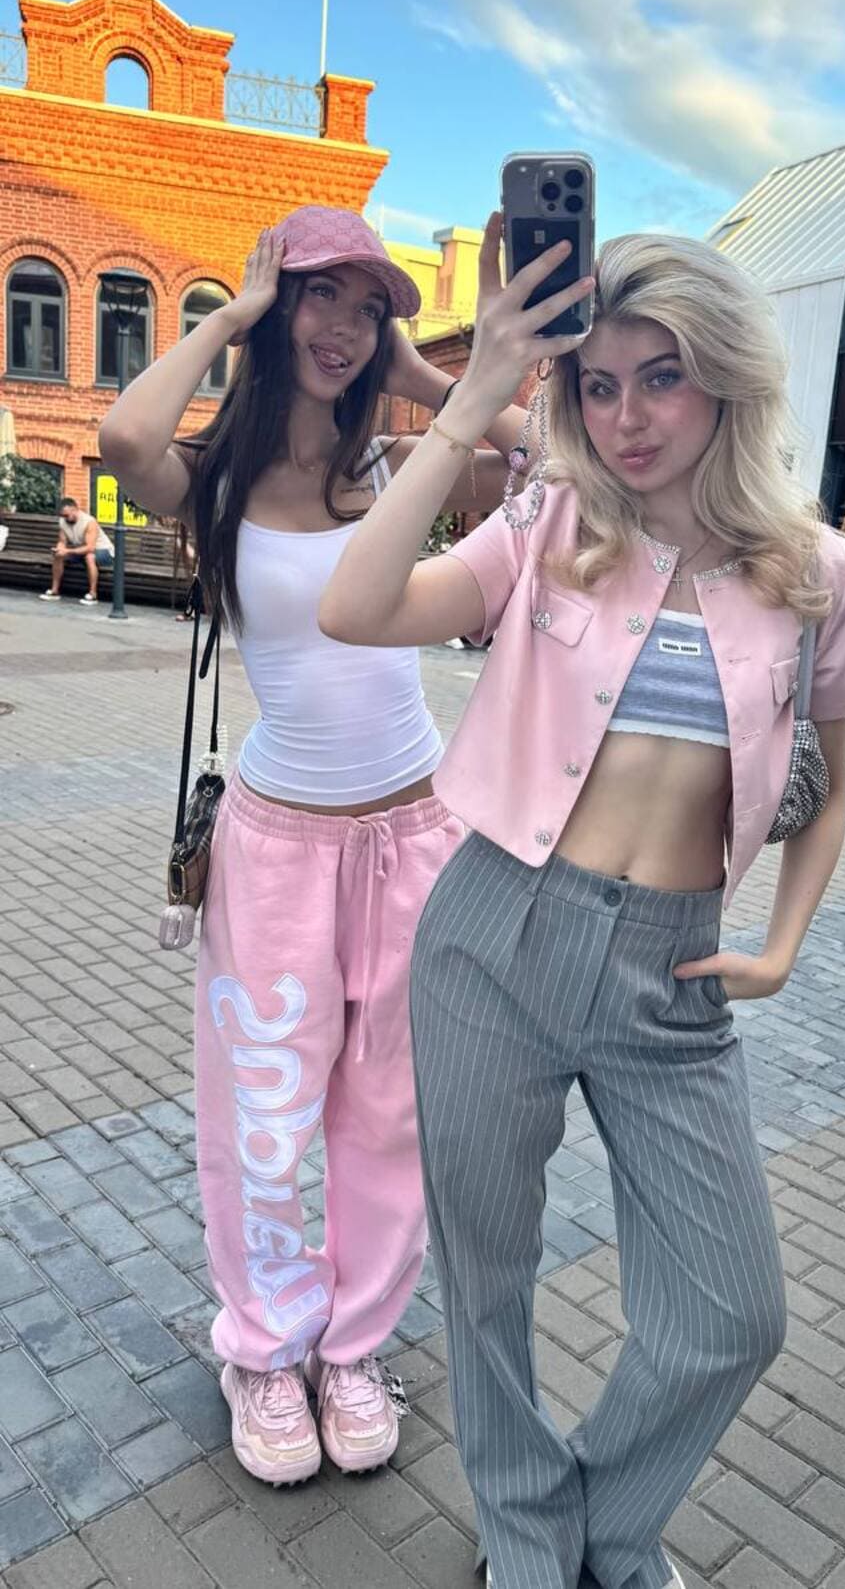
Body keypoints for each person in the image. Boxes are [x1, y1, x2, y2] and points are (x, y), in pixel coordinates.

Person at [319, 217, 845, 1589]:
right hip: (493, 935)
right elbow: (355, 607)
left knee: (731, 1311)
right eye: (601, 383)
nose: (629, 417)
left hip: (672, 976)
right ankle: (526, 1533)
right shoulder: (551, 523)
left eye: (663, 377)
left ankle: (608, 1522)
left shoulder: (818, 572)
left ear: (728, 378)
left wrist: (781, 947)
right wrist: (471, 399)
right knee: (487, 1270)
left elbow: (830, 787)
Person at [98, 205, 529, 1488]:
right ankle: (263, 1347)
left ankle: (351, 1348)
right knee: (267, 1114)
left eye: (367, 305)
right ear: (276, 304)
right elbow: (124, 440)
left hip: (418, 835)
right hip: (277, 849)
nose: (342, 325)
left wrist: (421, 375)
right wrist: (229, 318)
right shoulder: (218, 482)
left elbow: (541, 452)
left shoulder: (400, 466)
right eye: (319, 295)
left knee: (391, 1114)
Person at [39, 497, 114, 603]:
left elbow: (90, 547)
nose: (65, 518)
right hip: (81, 550)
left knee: (89, 556)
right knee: (59, 555)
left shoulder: (89, 522)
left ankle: (93, 594)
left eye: (67, 515)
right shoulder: (63, 522)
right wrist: (59, 548)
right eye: (63, 516)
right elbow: (62, 541)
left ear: (75, 509)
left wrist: (67, 551)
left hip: (103, 551)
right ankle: (54, 591)